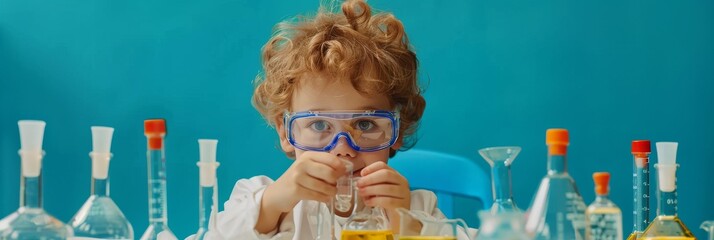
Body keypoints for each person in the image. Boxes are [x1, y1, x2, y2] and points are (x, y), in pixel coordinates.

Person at [208, 0, 474, 239]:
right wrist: (271, 205)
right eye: (320, 124)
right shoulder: (263, 200)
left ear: (397, 131)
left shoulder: (416, 207)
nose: (344, 149)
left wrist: (407, 225)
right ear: (285, 131)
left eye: (365, 124)